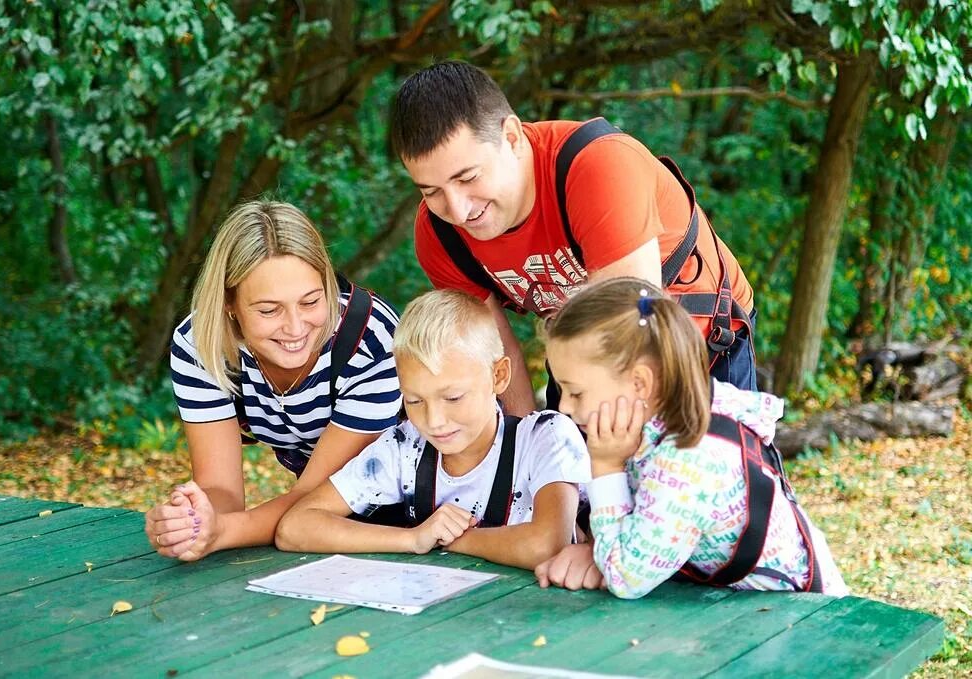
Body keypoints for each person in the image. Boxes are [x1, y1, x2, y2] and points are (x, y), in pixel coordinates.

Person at [390, 60, 756, 416]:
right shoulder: (439, 233)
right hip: (579, 357)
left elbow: (633, 325)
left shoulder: (597, 167)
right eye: (431, 191)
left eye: (468, 178)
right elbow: (496, 353)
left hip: (694, 338)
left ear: (512, 137)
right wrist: (521, 452)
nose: (457, 210)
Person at [534, 277, 846, 598]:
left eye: (575, 392)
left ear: (640, 383)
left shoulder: (688, 455)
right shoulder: (661, 423)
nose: (566, 407)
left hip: (802, 611)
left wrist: (606, 466)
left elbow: (626, 577)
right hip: (738, 604)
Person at [144, 201, 403, 561]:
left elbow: (314, 498)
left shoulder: (371, 341)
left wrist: (220, 533)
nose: (296, 328)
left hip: (422, 506)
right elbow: (220, 488)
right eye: (269, 310)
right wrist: (193, 520)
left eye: (311, 302)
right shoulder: (200, 345)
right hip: (327, 526)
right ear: (229, 302)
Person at [275, 289, 591, 570]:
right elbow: (295, 528)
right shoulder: (404, 448)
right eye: (414, 400)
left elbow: (548, 545)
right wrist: (412, 539)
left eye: (452, 397)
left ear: (498, 375)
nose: (434, 420)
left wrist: (455, 540)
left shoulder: (545, 437)